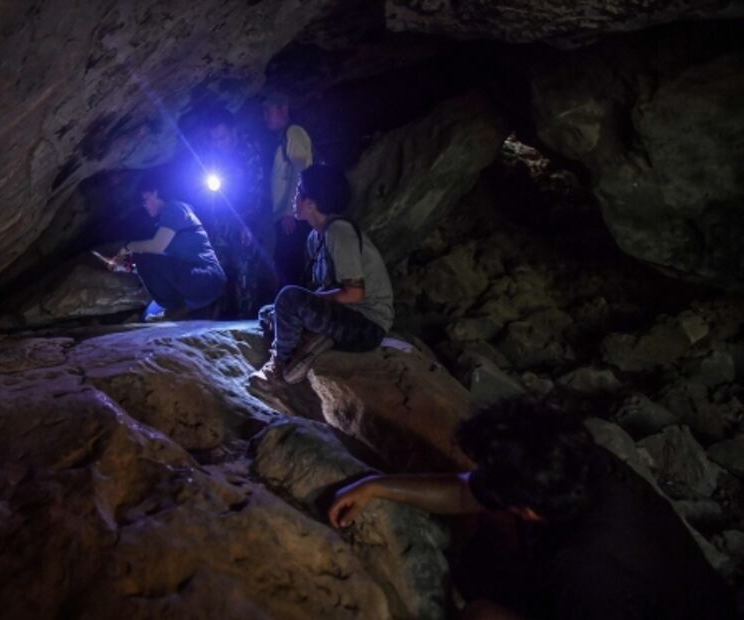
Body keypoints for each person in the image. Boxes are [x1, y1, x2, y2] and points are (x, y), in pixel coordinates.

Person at [327, 399, 736, 620]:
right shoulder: (580, 461)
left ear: (530, 511)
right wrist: (378, 485)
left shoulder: (586, 568)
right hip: (682, 592)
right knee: (482, 556)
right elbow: (470, 493)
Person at [251, 164, 394, 386]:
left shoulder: (339, 232)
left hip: (366, 325)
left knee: (288, 299)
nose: (294, 197)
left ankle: (279, 365)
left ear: (311, 203)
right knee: (268, 312)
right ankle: (316, 340)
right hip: (342, 315)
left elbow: (355, 293)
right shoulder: (315, 238)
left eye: (299, 190)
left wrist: (307, 302)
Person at [110, 172, 226, 321]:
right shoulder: (168, 221)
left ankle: (176, 307)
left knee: (142, 255)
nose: (144, 205)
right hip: (199, 280)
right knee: (147, 315)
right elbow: (162, 264)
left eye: (145, 199)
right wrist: (127, 266)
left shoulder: (175, 208)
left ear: (156, 192)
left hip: (207, 279)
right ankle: (182, 309)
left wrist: (128, 246)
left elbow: (156, 247)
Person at [203, 107, 269, 318]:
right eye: (214, 139)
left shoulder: (249, 150)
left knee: (245, 271)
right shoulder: (214, 154)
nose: (219, 143)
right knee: (219, 267)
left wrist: (247, 224)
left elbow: (256, 191)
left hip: (246, 220)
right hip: (220, 221)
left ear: (233, 131)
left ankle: (246, 317)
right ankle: (219, 315)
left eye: (222, 138)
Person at [262, 90, 313, 289]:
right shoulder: (283, 137)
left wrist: (290, 211)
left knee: (288, 266)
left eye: (268, 111)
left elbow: (301, 170)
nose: (264, 117)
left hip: (292, 217)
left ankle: (292, 313)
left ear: (283, 109)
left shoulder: (294, 132)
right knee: (285, 264)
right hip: (285, 215)